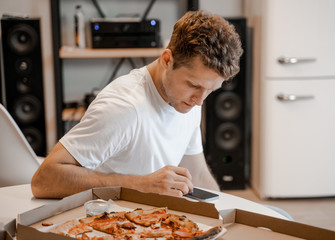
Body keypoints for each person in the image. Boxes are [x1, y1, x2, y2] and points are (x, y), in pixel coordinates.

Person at [31, 10, 243, 199]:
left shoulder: (189, 100)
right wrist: (138, 185)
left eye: (210, 90)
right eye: (193, 85)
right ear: (167, 60)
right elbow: (44, 180)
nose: (200, 101)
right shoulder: (124, 107)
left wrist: (223, 213)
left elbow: (196, 174)